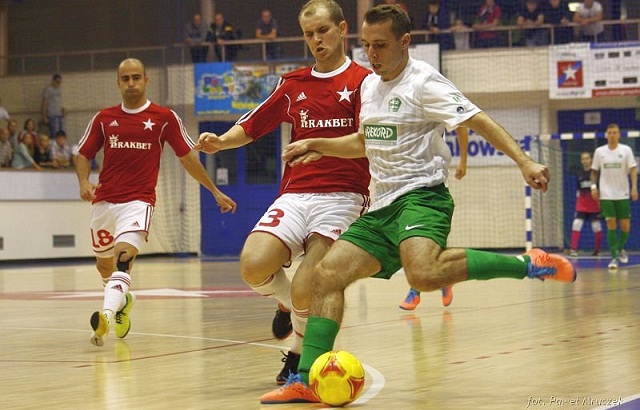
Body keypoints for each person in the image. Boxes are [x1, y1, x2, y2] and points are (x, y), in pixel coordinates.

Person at [260, 5, 576, 403]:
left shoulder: (424, 82)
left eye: (380, 45)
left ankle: (528, 264)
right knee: (326, 276)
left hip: (422, 197)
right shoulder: (369, 87)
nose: (371, 54)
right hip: (382, 205)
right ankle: (306, 378)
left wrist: (525, 161)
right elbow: (364, 141)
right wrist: (317, 144)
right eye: (366, 45)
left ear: (405, 42)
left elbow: (478, 120)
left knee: (424, 274)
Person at [195, 0, 371, 387]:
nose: (316, 40)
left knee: (312, 283)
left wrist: (320, 146)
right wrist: (221, 142)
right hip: (295, 195)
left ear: (342, 29)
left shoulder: (364, 82)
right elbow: (252, 125)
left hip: (343, 197)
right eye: (309, 34)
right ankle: (293, 306)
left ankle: (298, 352)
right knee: (252, 265)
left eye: (323, 30)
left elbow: (367, 142)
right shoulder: (292, 84)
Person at [76, 58, 237, 347]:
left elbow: (188, 158)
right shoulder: (104, 118)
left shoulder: (164, 118)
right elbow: (83, 154)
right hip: (104, 203)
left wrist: (214, 190)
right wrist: (84, 182)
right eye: (125, 78)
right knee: (104, 267)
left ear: (145, 80)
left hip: (138, 202)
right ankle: (123, 302)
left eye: (136, 77)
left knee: (123, 260)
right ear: (118, 82)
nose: (131, 83)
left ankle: (105, 318)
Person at [399, 127, 469, 311]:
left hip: (430, 183)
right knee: (415, 242)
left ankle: (415, 291)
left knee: (419, 240)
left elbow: (462, 126)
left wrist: (463, 161)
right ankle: (444, 279)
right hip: (402, 183)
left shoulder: (435, 109)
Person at [590, 123, 637, 270]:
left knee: (625, 226)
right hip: (606, 194)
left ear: (619, 135)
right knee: (611, 223)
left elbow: (633, 169)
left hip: (622, 193)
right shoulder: (599, 151)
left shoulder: (626, 150)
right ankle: (614, 258)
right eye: (609, 133)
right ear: (606, 135)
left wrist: (634, 187)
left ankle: (620, 247)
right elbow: (594, 171)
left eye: (614, 132)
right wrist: (593, 187)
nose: (612, 135)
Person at [569, 151, 602, 257]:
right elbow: (578, 190)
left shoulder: (596, 174)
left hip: (594, 204)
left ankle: (597, 250)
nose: (585, 161)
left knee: (596, 226)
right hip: (582, 204)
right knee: (576, 224)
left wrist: (600, 201)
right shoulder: (580, 174)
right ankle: (573, 249)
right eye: (583, 159)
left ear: (591, 159)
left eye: (587, 158)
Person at [41, 73, 65, 138]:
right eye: (57, 82)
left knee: (62, 133)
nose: (58, 84)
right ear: (53, 81)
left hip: (60, 114)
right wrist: (44, 116)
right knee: (55, 133)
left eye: (60, 82)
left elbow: (58, 102)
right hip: (52, 115)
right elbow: (44, 103)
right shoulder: (48, 89)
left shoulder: (59, 89)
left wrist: (62, 109)